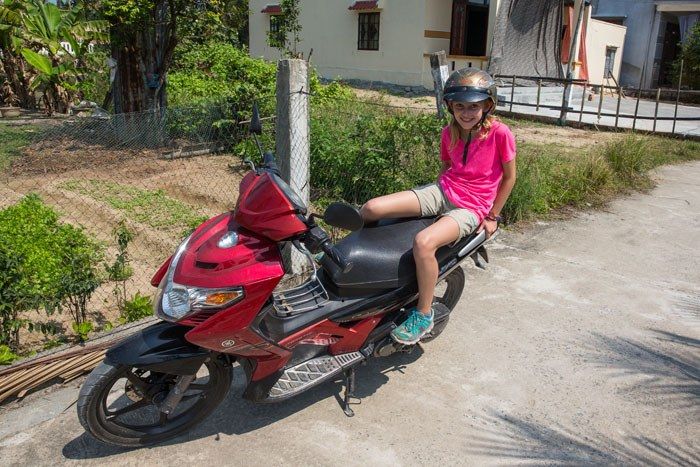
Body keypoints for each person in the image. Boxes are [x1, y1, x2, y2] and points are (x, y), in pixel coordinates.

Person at [360, 68, 517, 345]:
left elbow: (509, 176)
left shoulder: (500, 133)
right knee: (371, 208)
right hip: (444, 191)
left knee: (423, 243)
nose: (466, 113)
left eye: (473, 107)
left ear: (487, 105)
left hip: (472, 206)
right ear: (450, 107)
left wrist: (493, 216)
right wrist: (433, 199)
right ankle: (358, 268)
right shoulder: (449, 132)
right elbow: (446, 167)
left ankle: (423, 314)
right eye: (460, 107)